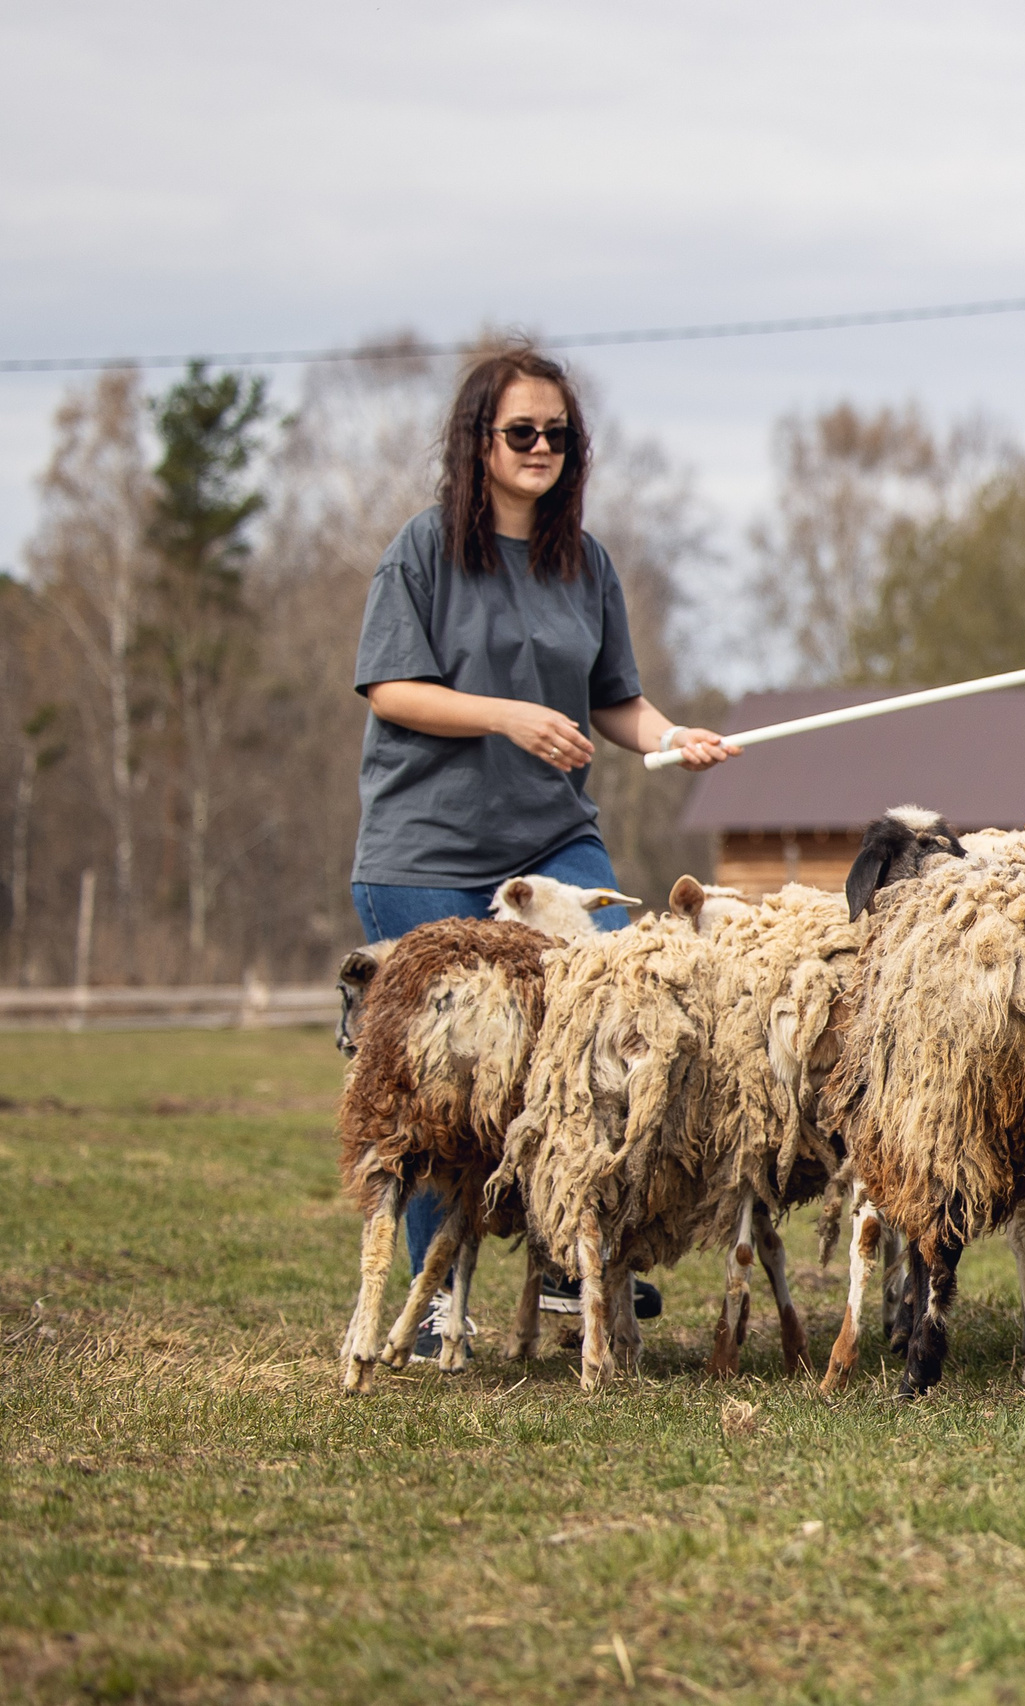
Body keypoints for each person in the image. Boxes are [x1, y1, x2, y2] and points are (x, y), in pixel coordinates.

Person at [350, 343, 735, 1356]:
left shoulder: (585, 563)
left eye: (557, 434)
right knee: (446, 1079)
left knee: (598, 1024)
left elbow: (616, 699)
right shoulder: (423, 551)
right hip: (426, 845)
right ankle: (436, 1299)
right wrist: (507, 715)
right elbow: (390, 688)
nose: (540, 447)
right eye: (520, 431)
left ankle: (575, 1264)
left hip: (553, 837)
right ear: (477, 441)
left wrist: (669, 737)